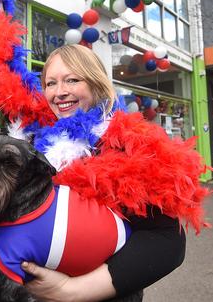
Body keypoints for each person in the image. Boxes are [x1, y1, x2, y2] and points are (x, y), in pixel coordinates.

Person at [18, 44, 189, 301]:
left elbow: (167, 241)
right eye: (50, 83)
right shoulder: (38, 145)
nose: (59, 92)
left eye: (72, 80)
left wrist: (70, 292)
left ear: (96, 83)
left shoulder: (122, 145)